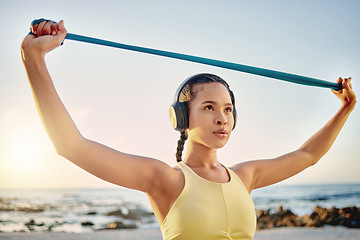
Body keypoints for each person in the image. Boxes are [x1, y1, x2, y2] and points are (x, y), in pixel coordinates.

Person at [21, 19, 356, 240]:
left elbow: (308, 155)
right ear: (181, 118)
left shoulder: (246, 176)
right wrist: (32, 59)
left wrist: (346, 109)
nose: (222, 118)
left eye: (227, 109)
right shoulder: (165, 180)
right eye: (208, 108)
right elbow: (71, 146)